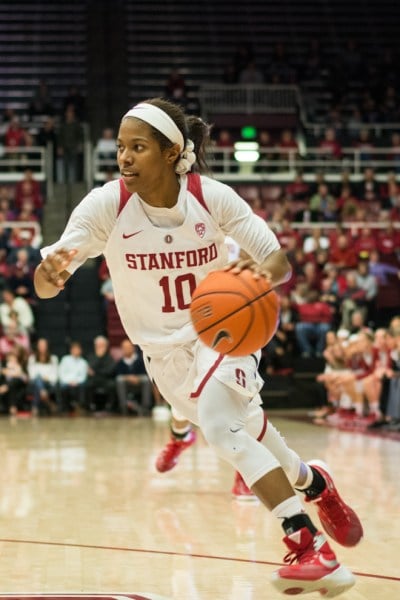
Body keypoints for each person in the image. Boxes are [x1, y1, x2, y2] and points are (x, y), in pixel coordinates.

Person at [34, 97, 361, 596]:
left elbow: (278, 262)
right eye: (121, 147)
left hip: (224, 333)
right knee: (246, 430)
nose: (124, 158)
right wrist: (49, 274)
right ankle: (315, 484)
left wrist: (253, 278)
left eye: (137, 147)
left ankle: (308, 544)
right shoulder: (107, 205)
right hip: (162, 356)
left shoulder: (212, 198)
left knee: (218, 426)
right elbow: (46, 281)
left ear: (171, 153)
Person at [114, 338, 152, 415]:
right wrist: (129, 378)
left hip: (139, 382)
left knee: (146, 379)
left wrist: (136, 378)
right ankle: (123, 407)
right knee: (119, 380)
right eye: (124, 348)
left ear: (133, 348)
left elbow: (146, 373)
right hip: (126, 384)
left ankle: (146, 407)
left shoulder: (140, 360)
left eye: (128, 347)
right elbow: (118, 374)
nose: (126, 349)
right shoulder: (120, 362)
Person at [27, 337, 59, 416]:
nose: (42, 347)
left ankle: (35, 407)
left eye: (44, 345)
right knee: (38, 380)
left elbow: (55, 375)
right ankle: (45, 397)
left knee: (38, 384)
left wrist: (46, 378)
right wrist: (41, 378)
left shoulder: (53, 359)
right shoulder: (32, 359)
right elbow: (32, 374)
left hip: (49, 382)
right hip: (35, 382)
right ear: (37, 346)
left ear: (47, 346)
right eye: (40, 345)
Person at [58, 341, 88, 414]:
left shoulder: (83, 362)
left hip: (78, 383)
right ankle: (65, 408)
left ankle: (80, 406)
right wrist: (69, 382)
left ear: (80, 351)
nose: (76, 351)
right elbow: (61, 373)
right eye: (74, 349)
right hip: (66, 382)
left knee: (84, 386)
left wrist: (76, 382)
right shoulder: (65, 359)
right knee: (63, 387)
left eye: (77, 349)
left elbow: (83, 376)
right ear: (71, 350)